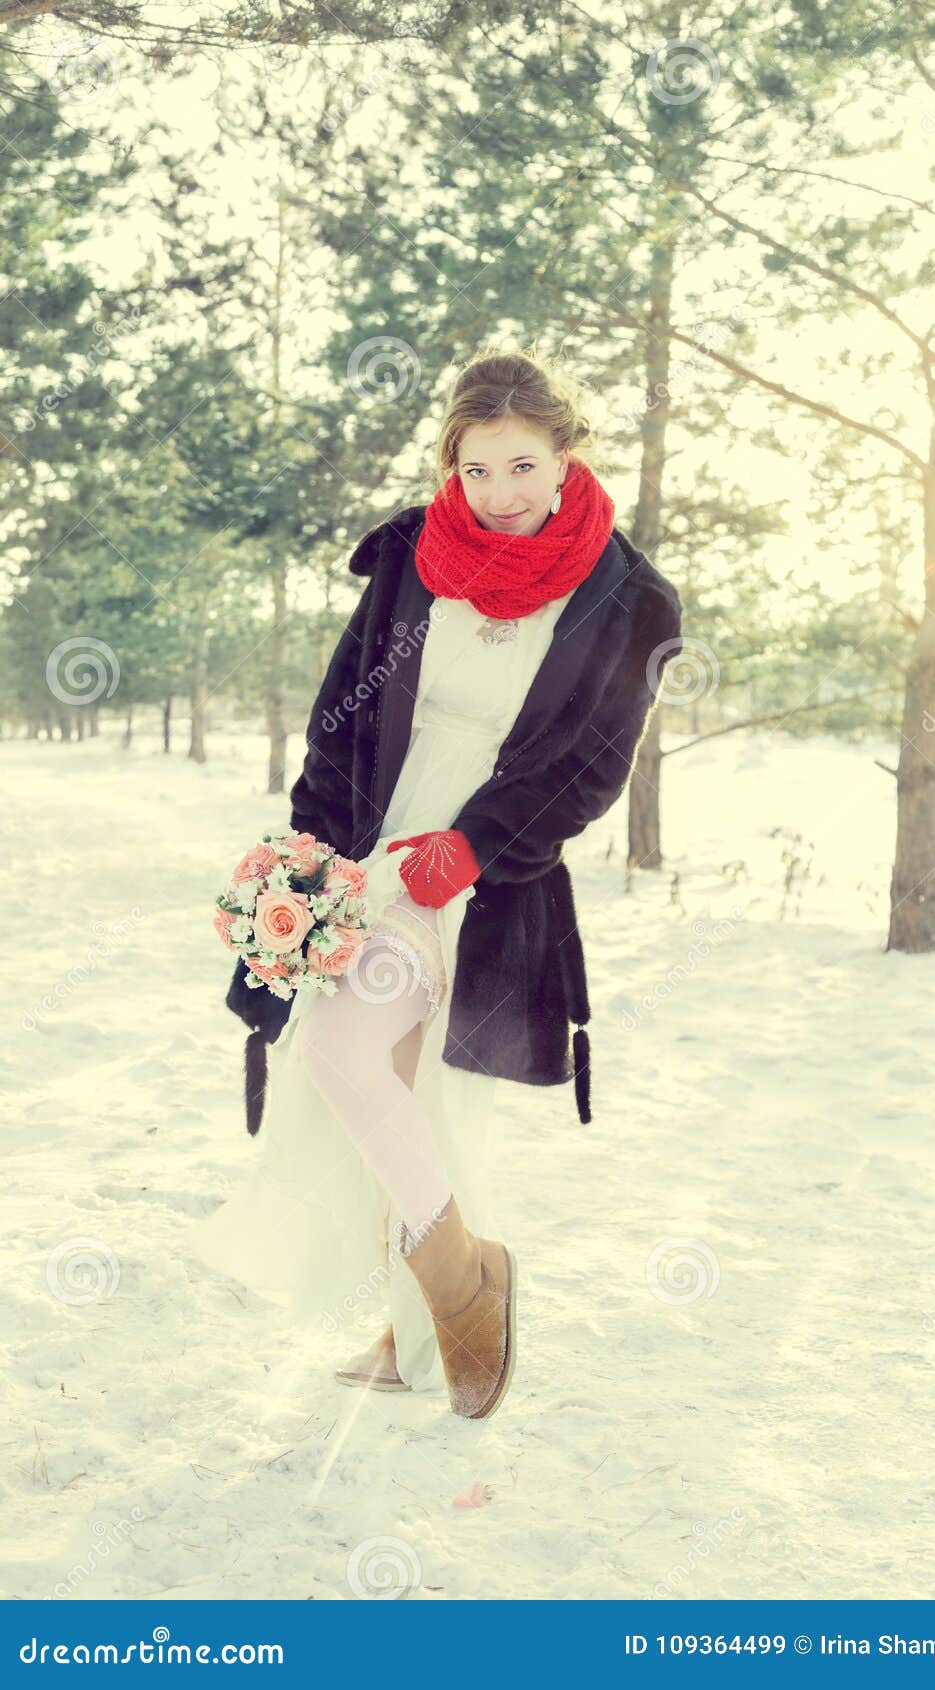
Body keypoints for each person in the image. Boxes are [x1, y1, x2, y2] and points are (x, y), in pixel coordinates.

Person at [191, 348, 683, 1420]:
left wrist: (476, 844)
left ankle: (455, 1298)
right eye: (473, 471)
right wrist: (309, 855)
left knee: (372, 1068)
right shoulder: (416, 555)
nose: (497, 496)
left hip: (487, 874)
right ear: (447, 468)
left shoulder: (628, 600)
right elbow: (342, 718)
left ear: (565, 455)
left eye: (519, 466)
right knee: (372, 1079)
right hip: (378, 854)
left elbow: (593, 764)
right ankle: (438, 1311)